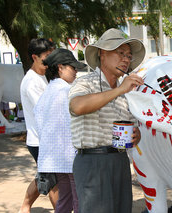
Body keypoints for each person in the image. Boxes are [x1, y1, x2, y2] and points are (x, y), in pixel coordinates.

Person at [68, 28, 145, 212]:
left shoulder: (126, 92)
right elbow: (76, 107)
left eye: (129, 55)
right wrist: (119, 90)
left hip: (119, 161)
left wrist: (137, 136)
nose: (126, 59)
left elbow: (133, 129)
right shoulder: (85, 82)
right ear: (102, 54)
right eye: (120, 53)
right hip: (92, 162)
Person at [34, 48, 86, 213]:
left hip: (54, 159)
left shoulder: (47, 92)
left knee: (65, 198)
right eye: (73, 67)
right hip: (70, 157)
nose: (76, 71)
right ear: (60, 68)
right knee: (79, 200)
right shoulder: (67, 92)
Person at [19, 38, 58, 213]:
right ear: (34, 57)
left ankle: (25, 207)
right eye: (47, 56)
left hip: (48, 138)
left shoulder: (45, 76)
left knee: (44, 176)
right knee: (54, 181)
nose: (51, 61)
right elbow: (46, 110)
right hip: (40, 141)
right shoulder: (32, 82)